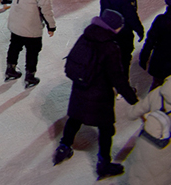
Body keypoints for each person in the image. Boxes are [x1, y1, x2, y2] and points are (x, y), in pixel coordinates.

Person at [52, 9, 138, 179]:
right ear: (113, 28)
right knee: (106, 129)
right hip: (100, 95)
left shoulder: (86, 36)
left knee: (74, 119)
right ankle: (104, 163)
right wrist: (133, 99)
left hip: (80, 89)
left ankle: (64, 147)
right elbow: (117, 78)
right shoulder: (110, 47)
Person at [124, 66, 171, 185]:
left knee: (139, 174)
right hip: (167, 154)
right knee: (161, 179)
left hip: (146, 143)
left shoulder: (158, 92)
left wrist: (131, 113)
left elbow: (133, 112)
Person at [5, 0, 55, 88]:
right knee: (33, 50)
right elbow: (46, 7)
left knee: (14, 45)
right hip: (31, 24)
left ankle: (10, 70)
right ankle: (30, 77)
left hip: (16, 20)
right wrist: (51, 26)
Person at [100, 0, 145, 74]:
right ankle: (122, 84)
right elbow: (129, 13)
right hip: (121, 29)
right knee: (124, 55)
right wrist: (139, 29)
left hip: (108, 23)